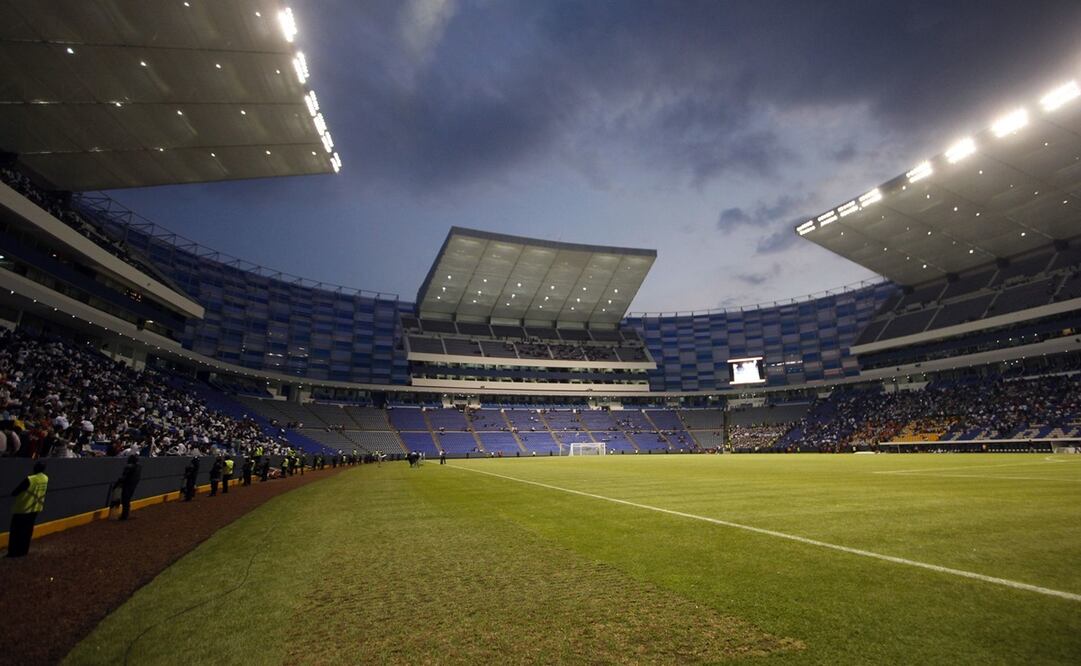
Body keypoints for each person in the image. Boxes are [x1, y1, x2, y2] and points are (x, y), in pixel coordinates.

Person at [7, 461, 48, 557]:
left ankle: (13, 552)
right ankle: (24, 550)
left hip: (23, 508)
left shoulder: (31, 479)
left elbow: (15, 492)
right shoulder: (45, 478)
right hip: (35, 508)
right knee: (27, 531)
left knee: (16, 531)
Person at [117, 455, 141, 520]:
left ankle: (124, 515)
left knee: (125, 500)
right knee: (127, 500)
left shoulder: (129, 467)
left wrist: (118, 482)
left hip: (127, 485)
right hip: (133, 485)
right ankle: (125, 514)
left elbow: (124, 477)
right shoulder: (139, 467)